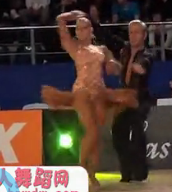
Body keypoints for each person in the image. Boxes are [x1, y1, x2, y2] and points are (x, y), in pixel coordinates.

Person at [41, 10, 139, 190]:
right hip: (81, 93)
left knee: (97, 138)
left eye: (85, 28)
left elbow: (115, 66)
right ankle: (79, 169)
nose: (81, 31)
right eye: (78, 29)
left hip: (99, 93)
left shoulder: (102, 49)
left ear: (91, 30)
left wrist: (112, 65)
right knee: (92, 131)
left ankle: (91, 175)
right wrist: (72, 16)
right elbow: (60, 23)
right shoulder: (74, 47)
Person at [112, 20, 153, 183]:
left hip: (139, 99)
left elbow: (144, 67)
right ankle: (126, 171)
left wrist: (139, 68)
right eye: (130, 32)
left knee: (137, 134)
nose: (133, 35)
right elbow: (119, 69)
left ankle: (140, 171)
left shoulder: (147, 54)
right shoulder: (124, 51)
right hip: (124, 98)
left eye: (137, 32)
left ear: (144, 35)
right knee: (117, 131)